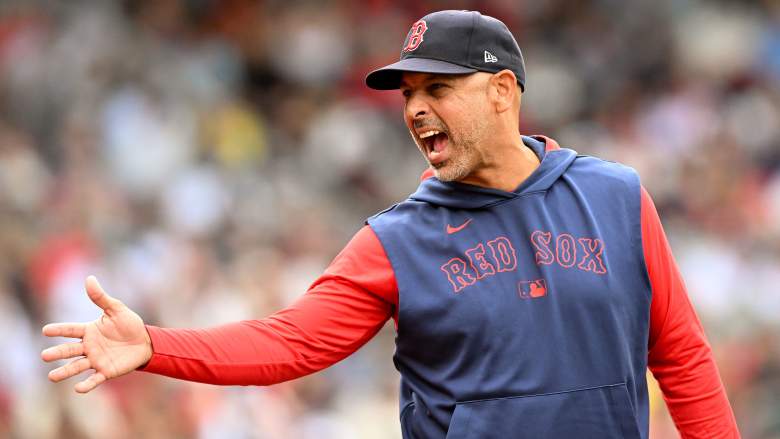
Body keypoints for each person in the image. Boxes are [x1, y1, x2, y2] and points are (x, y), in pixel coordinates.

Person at [41, 10, 740, 438]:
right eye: (408, 94)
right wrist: (156, 345)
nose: (415, 110)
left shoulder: (616, 197)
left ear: (503, 91)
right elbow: (291, 341)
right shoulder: (398, 240)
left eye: (438, 88)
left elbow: (682, 357)